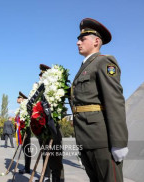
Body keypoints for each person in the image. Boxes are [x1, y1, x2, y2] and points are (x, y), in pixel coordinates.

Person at [71, 18, 129, 181]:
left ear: (96, 41)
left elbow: (115, 101)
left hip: (101, 140)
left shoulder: (103, 62)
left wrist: (119, 142)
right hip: (85, 137)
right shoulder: (85, 67)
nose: (77, 43)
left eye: (82, 39)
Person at [36, 64, 64, 182]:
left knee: (56, 159)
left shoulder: (57, 87)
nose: (41, 77)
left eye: (43, 75)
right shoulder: (41, 89)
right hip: (44, 129)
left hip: (53, 128)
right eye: (40, 75)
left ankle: (58, 180)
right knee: (46, 156)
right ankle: (46, 178)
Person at [17, 92, 32, 174]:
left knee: (27, 149)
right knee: (25, 149)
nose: (17, 99)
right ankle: (26, 167)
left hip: (26, 129)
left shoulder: (26, 106)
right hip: (22, 130)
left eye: (18, 97)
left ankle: (27, 168)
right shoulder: (21, 107)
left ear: (22, 99)